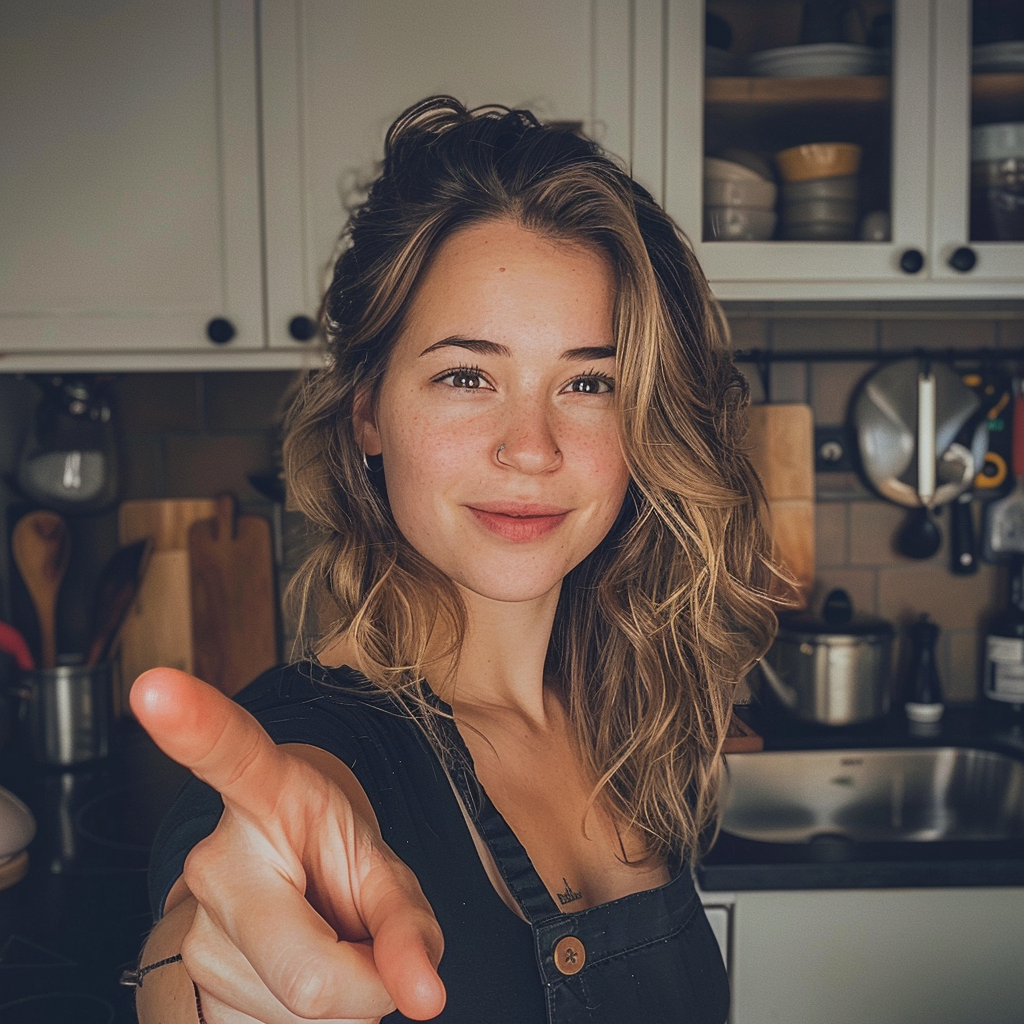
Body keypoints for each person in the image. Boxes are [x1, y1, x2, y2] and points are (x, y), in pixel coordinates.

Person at [128, 96, 778, 1024]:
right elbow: (230, 906)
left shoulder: (629, 713)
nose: (531, 447)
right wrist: (194, 981)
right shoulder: (314, 752)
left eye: (588, 382)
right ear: (368, 411)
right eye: (467, 375)